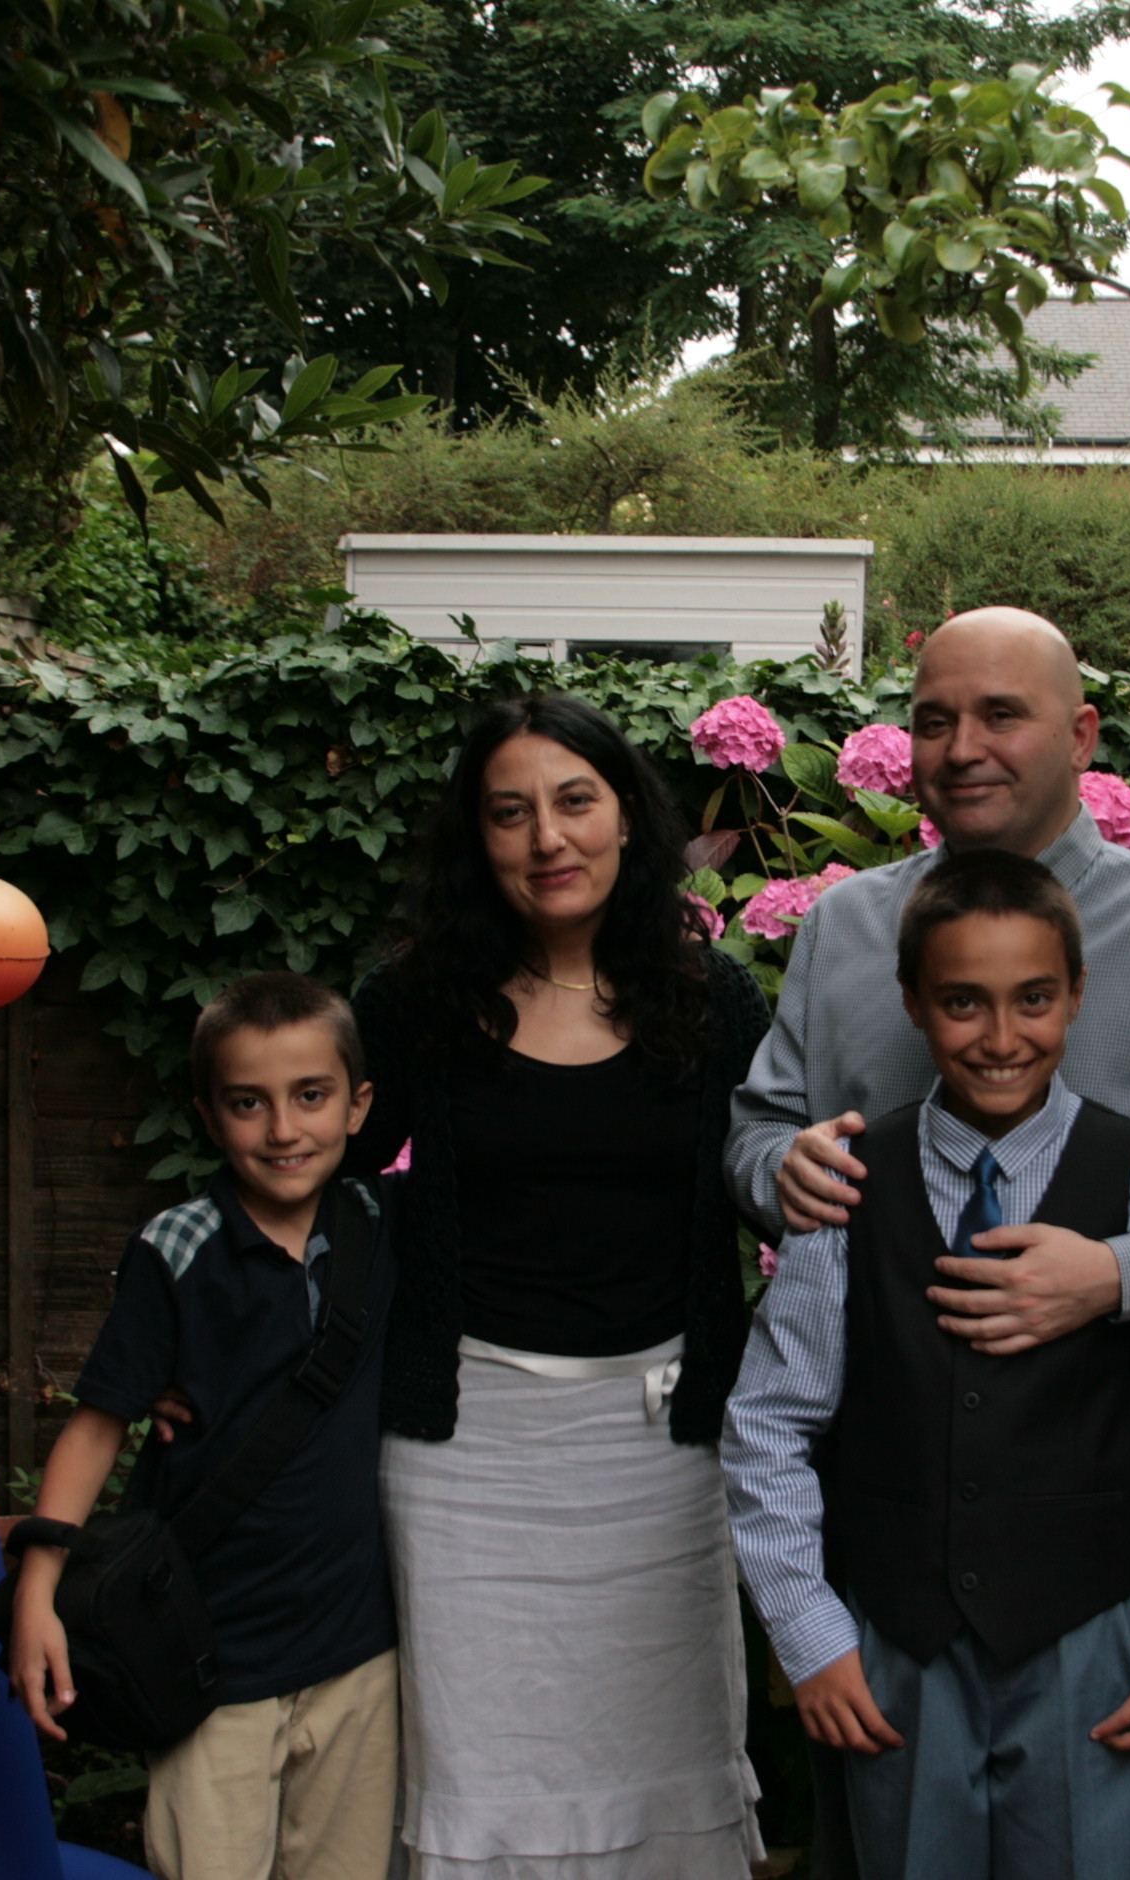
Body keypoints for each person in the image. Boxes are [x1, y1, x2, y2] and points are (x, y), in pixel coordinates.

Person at [724, 850, 1130, 1879]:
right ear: (913, 1003)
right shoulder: (846, 1182)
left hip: (1090, 1637)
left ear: (1077, 995)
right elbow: (771, 1421)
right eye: (963, 1001)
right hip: (895, 1641)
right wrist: (810, 1631)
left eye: (1033, 999)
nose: (1002, 1037)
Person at [354, 692, 774, 1878]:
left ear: (626, 817)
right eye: (510, 812)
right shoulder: (410, 1006)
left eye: (574, 800)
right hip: (463, 1452)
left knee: (665, 1747)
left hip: (663, 1449)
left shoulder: (712, 1000)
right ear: (476, 838)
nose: (547, 836)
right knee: (478, 1762)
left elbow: (776, 1184)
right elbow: (313, 1190)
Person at [730, 604, 1130, 1348]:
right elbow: (759, 1133)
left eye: (1001, 716)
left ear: (1081, 737)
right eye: (934, 723)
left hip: (1095, 1403)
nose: (963, 750)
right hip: (870, 1396)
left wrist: (1120, 1273)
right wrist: (782, 1172)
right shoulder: (844, 925)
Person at [8, 970, 399, 1880]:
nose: (283, 1129)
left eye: (311, 1095)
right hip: (206, 1661)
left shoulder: (386, 1226)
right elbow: (98, 1424)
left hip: (358, 1659)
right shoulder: (175, 1249)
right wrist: (38, 1586)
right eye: (248, 1102)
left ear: (358, 1104)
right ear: (209, 1116)